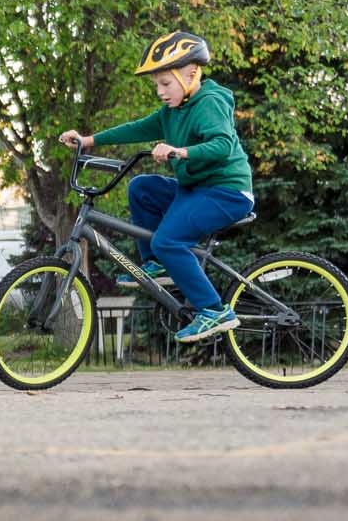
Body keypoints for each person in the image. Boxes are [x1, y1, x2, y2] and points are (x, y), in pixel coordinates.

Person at [58, 31, 254, 345]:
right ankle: (156, 263)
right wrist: (88, 140)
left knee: (169, 240)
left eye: (166, 83)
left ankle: (214, 310)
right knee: (142, 187)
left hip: (225, 191)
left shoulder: (210, 102)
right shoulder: (172, 111)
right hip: (195, 187)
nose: (161, 92)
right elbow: (137, 128)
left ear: (191, 74)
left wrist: (181, 151)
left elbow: (222, 145)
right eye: (157, 85)